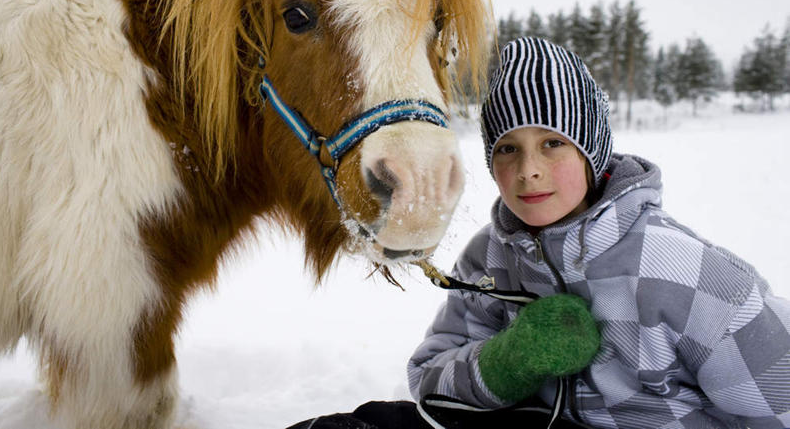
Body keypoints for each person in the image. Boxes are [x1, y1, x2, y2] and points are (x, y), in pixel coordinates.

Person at [289, 37, 790, 428]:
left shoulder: (688, 277)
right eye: (507, 148)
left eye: (553, 143)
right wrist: (513, 360)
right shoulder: (491, 254)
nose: (528, 170)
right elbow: (429, 380)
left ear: (590, 150)